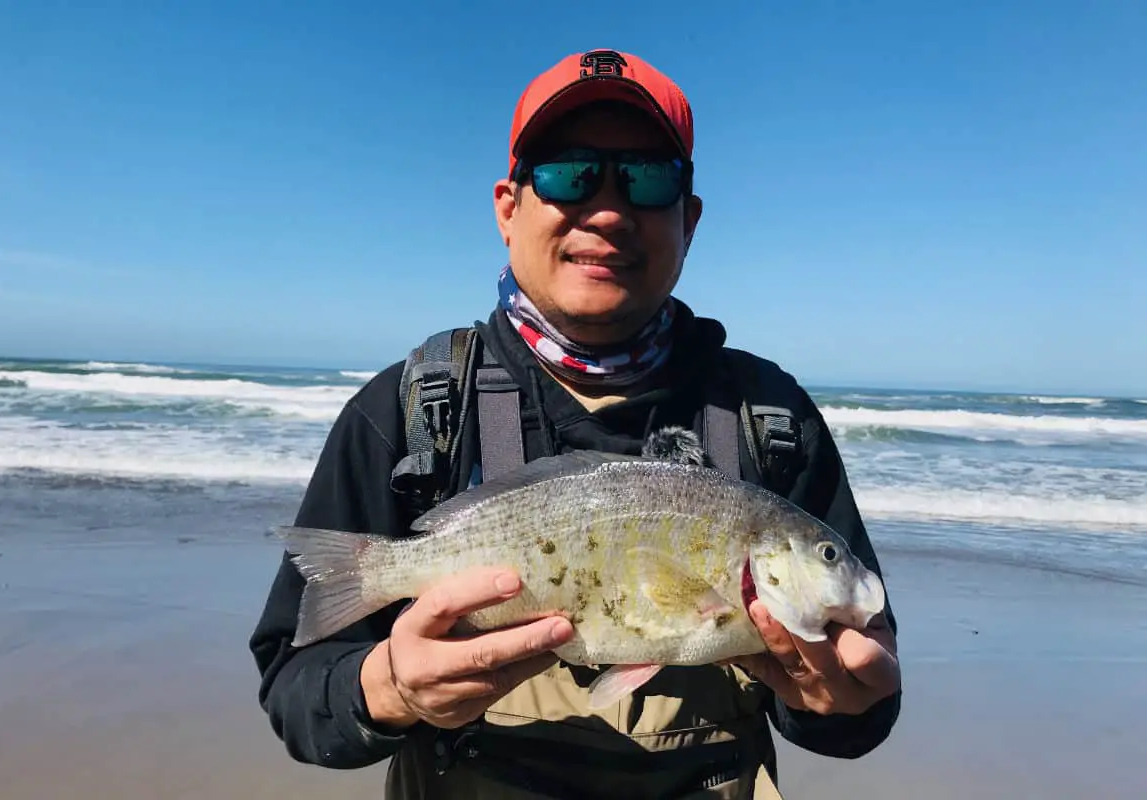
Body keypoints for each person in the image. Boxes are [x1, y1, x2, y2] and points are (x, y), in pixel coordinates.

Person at [249, 48, 901, 799]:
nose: (609, 210)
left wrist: (843, 706)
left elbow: (859, 700)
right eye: (567, 173)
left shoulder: (771, 420)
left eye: (649, 178)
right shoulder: (412, 411)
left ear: (688, 220)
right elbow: (296, 690)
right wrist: (388, 687)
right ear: (508, 206)